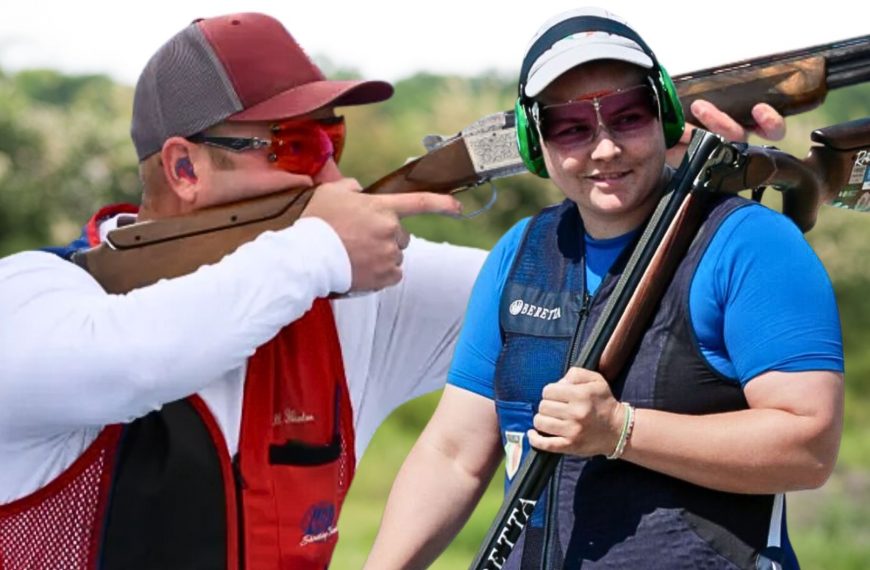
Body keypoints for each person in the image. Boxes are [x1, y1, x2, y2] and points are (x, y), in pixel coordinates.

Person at [0, 13, 484, 570]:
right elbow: (133, 362)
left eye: (334, 139)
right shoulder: (30, 296)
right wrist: (320, 249)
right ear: (184, 167)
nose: (334, 181)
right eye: (296, 146)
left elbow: (553, 300)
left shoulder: (355, 293)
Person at [365, 7, 844, 570]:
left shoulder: (750, 243)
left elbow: (808, 446)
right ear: (532, 140)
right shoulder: (520, 254)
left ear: (664, 117)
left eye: (628, 117)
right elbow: (453, 454)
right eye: (571, 127)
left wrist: (620, 430)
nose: (604, 148)